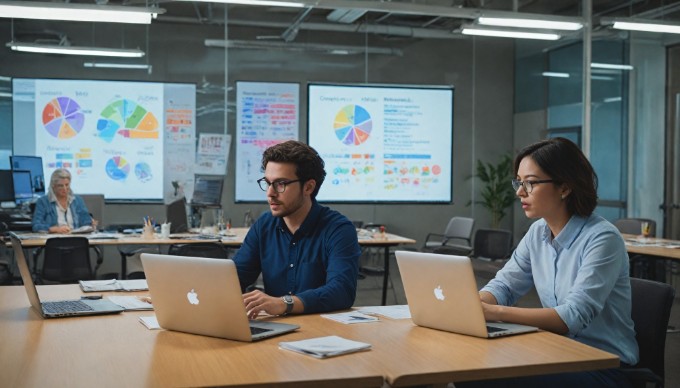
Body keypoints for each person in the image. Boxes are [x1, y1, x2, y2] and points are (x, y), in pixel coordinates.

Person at [461, 137, 638, 388]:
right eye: (519, 183)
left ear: (564, 187)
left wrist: (493, 312)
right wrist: (472, 304)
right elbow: (505, 286)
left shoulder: (602, 238)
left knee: (482, 376)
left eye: (530, 183)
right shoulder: (537, 232)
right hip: (555, 351)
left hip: (601, 365)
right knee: (467, 366)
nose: (519, 192)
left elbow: (572, 317)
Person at [233, 140, 361, 318]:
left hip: (324, 331)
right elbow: (234, 277)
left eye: (280, 184)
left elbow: (342, 291)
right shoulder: (264, 225)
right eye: (268, 182)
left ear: (308, 187)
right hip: (276, 328)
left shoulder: (338, 229)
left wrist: (284, 303)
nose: (270, 193)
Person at [32, 168, 97, 234]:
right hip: (54, 239)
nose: (65, 188)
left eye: (67, 185)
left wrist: (90, 223)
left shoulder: (77, 200)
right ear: (53, 186)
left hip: (75, 238)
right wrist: (54, 229)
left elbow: (85, 221)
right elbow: (36, 226)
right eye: (60, 186)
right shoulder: (43, 201)